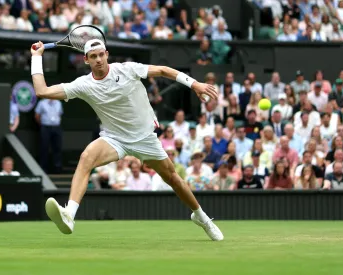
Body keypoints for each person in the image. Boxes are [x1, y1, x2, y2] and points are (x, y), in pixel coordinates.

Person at [30, 39, 222, 240]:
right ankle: (69, 214)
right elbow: (42, 91)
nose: (98, 60)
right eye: (93, 56)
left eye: (101, 54)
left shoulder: (127, 69)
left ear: (107, 54)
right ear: (86, 60)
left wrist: (195, 84)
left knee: (173, 179)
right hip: (114, 139)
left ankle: (202, 218)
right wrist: (36, 57)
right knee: (87, 157)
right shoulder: (83, 84)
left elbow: (164, 70)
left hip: (145, 138)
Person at [35, 98, 63, 173]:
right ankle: (43, 168)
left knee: (57, 148)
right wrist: (42, 124)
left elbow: (60, 114)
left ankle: (57, 168)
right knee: (44, 147)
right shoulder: (42, 103)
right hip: (45, 127)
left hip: (56, 127)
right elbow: (37, 115)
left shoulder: (58, 103)